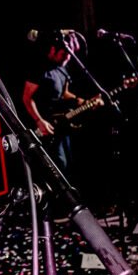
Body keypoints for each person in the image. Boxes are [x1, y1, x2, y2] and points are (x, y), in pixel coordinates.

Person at [22, 30, 97, 174]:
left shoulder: (62, 68)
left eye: (69, 55)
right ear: (53, 50)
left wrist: (82, 101)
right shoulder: (39, 68)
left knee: (69, 163)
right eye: (64, 54)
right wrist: (39, 120)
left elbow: (64, 94)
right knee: (59, 165)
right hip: (43, 127)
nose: (67, 58)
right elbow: (26, 98)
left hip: (60, 125)